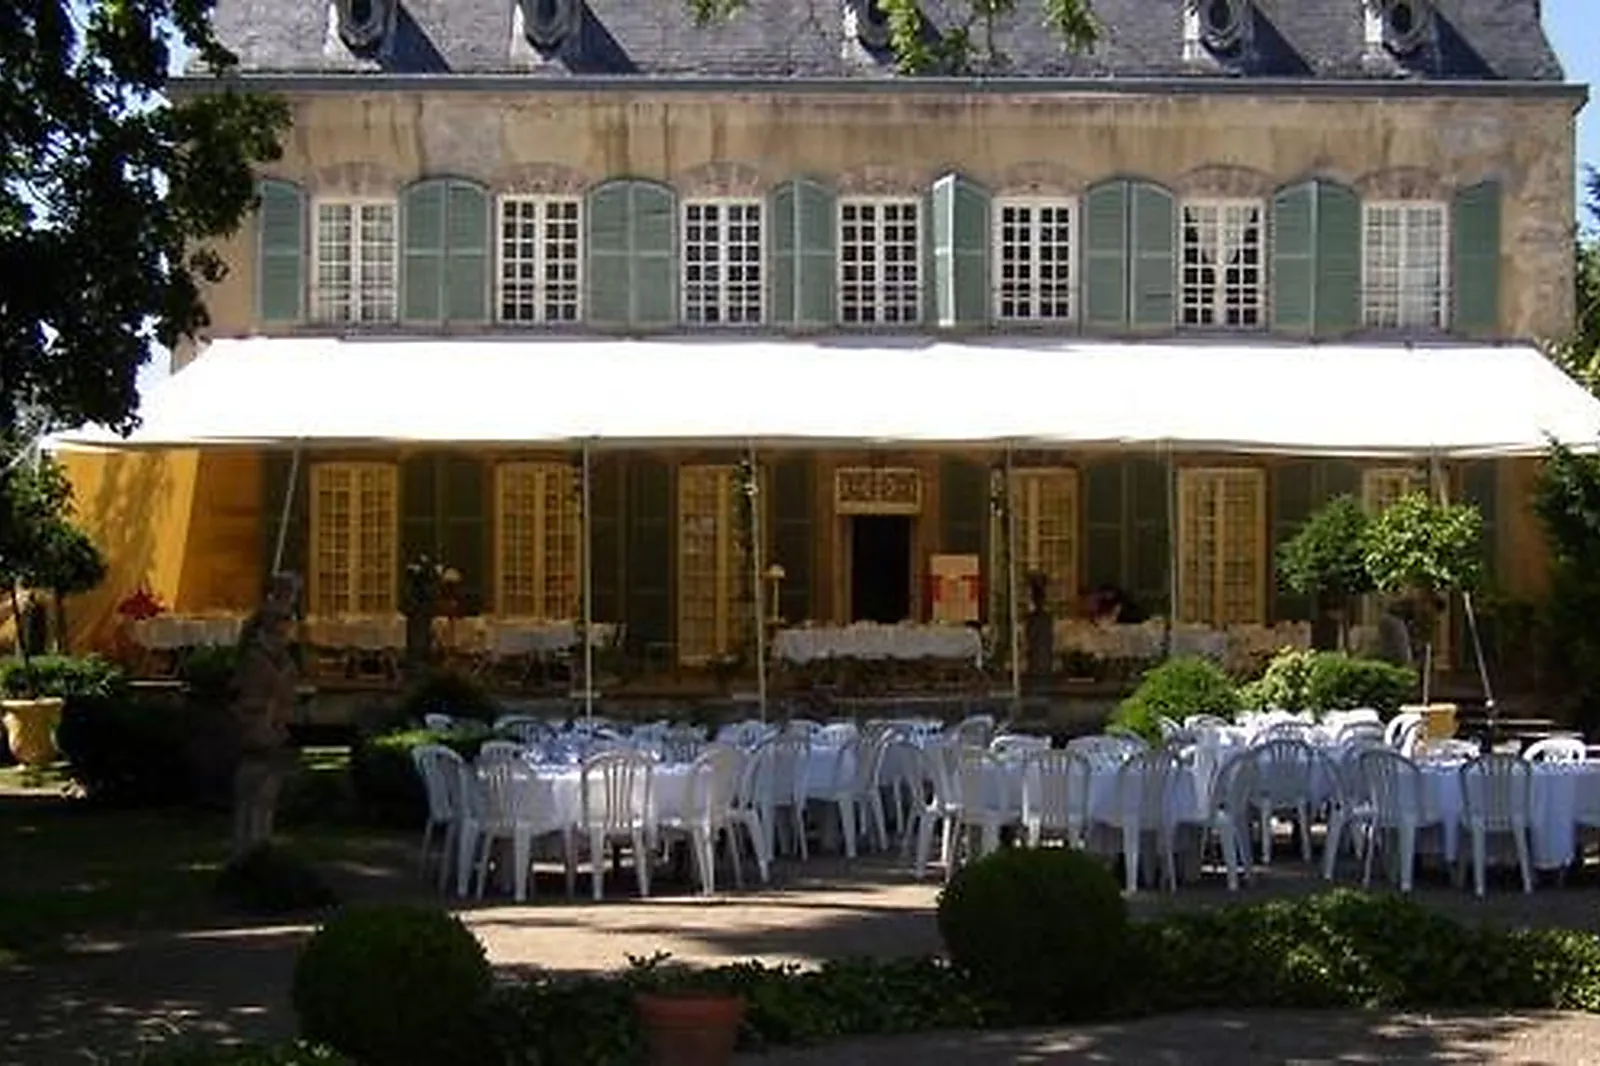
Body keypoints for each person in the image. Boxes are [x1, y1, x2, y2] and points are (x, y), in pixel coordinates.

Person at [230, 572, 301, 858]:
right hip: (258, 729)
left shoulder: (277, 655)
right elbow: (259, 692)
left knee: (267, 797)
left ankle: (261, 850)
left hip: (273, 729)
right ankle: (248, 854)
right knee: (254, 795)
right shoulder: (258, 657)